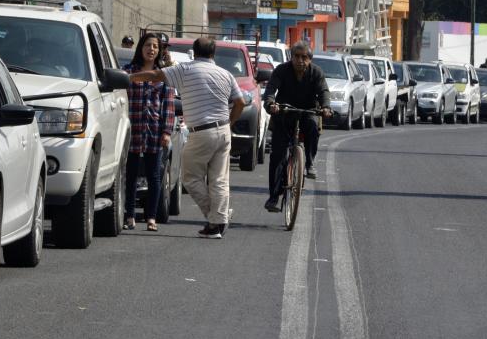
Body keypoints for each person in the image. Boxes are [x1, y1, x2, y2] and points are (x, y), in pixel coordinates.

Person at [129, 37, 245, 239]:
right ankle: (217, 222)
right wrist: (230, 122)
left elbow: (155, 75)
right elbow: (240, 102)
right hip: (224, 130)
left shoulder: (185, 70)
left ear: (194, 51)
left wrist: (130, 78)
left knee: (190, 178)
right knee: (219, 180)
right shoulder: (226, 74)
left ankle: (217, 218)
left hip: (201, 132)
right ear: (213, 54)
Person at [262, 41, 331, 212]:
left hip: (307, 112)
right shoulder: (281, 70)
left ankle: (309, 163)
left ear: (310, 60)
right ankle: (274, 197)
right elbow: (270, 90)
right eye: (297, 57)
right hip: (284, 114)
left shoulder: (317, 72)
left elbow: (323, 91)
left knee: (313, 127)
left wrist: (326, 107)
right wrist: (271, 103)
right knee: (277, 156)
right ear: (291, 57)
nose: (300, 60)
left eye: (304, 57)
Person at [122, 33, 175, 232]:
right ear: (140, 48)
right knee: (131, 174)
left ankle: (151, 217)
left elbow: (169, 106)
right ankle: (128, 216)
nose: (151, 49)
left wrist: (167, 131)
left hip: (154, 131)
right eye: (147, 45)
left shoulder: (164, 75)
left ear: (159, 51)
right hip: (131, 130)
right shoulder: (127, 71)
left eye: (155, 46)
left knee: (154, 176)